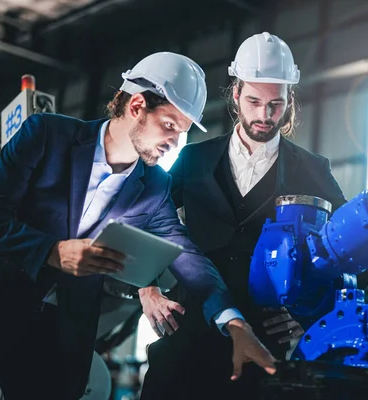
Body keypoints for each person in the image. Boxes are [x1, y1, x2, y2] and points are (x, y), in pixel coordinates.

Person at [0, 52, 275, 400]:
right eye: (170, 126)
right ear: (136, 106)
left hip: (58, 337)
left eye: (183, 133)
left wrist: (235, 323)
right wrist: (51, 252)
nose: (175, 143)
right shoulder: (47, 136)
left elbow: (189, 258)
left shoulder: (155, 185)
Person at [140, 32, 347, 399]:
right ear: (236, 95)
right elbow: (146, 217)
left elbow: (354, 249)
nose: (264, 115)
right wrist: (147, 286)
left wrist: (307, 315)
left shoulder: (314, 170)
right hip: (189, 323)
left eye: (275, 104)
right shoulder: (194, 160)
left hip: (264, 336)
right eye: (254, 101)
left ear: (289, 101)